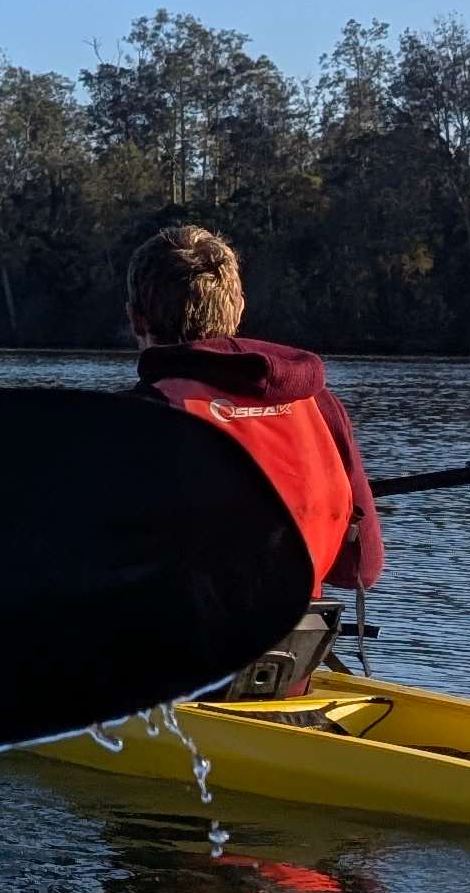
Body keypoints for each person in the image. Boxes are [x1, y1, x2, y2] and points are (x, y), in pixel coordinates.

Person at [126, 219, 384, 696]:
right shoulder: (319, 404)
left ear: (137, 318)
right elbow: (360, 569)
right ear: (239, 310)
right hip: (291, 670)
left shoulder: (142, 416)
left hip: (177, 678)